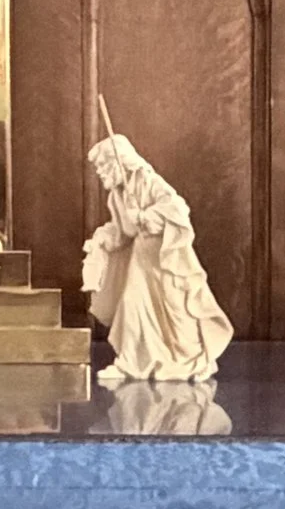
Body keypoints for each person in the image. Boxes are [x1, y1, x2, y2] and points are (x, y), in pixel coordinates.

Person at [82, 134, 234, 384]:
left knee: (177, 312)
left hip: (165, 259)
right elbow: (123, 232)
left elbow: (178, 210)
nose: (99, 172)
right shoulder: (116, 196)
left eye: (102, 166)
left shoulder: (149, 181)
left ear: (118, 162)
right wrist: (103, 239)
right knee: (132, 306)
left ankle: (194, 358)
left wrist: (144, 216)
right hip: (141, 261)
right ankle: (129, 362)